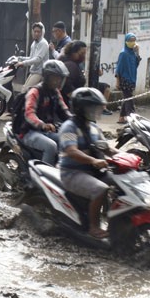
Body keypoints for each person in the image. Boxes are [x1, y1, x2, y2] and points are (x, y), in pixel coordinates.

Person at [58, 87, 118, 239]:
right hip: (72, 173)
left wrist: (126, 157)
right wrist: (94, 160)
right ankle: (93, 226)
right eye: (92, 108)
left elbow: (107, 148)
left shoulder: (94, 128)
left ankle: (115, 221)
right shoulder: (68, 127)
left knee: (120, 183)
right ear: (81, 108)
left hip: (93, 171)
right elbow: (72, 151)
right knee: (100, 189)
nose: (96, 111)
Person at [18, 60, 73, 164]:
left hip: (46, 131)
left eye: (60, 78)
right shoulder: (35, 92)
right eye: (55, 78)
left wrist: (78, 121)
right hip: (29, 132)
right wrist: (43, 125)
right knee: (51, 146)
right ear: (47, 77)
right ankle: (43, 176)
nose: (58, 81)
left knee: (69, 141)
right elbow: (29, 114)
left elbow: (64, 110)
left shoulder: (55, 92)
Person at [115, 33, 141, 124]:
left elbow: (136, 64)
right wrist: (117, 82)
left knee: (127, 98)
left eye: (134, 40)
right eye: (130, 40)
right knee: (129, 100)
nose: (132, 42)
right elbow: (118, 69)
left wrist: (137, 52)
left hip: (132, 79)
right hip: (125, 80)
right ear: (126, 41)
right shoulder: (123, 53)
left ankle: (121, 118)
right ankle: (132, 119)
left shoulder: (133, 53)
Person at [17, 22, 50, 89]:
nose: (36, 33)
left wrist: (23, 63)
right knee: (24, 88)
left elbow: (38, 59)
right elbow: (32, 58)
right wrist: (19, 58)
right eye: (35, 31)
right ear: (32, 32)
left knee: (26, 90)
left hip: (40, 72)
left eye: (38, 32)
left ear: (42, 33)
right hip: (33, 71)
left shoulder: (43, 43)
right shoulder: (34, 43)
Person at [59, 40, 87, 106]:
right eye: (82, 53)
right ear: (73, 52)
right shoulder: (71, 65)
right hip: (66, 103)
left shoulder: (69, 61)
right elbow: (67, 86)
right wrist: (77, 100)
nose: (83, 56)